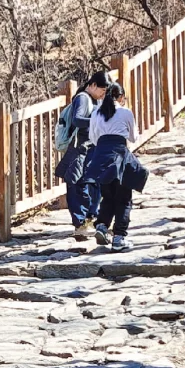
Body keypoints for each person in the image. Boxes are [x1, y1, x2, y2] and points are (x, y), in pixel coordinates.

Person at [85, 82, 141, 252]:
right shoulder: (125, 113)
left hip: (101, 157)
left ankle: (102, 226)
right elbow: (133, 138)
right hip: (120, 155)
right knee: (124, 199)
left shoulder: (96, 113)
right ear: (121, 97)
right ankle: (119, 237)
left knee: (107, 195)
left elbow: (93, 138)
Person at [57, 70, 110, 240]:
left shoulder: (95, 100)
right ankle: (80, 224)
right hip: (79, 148)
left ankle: (90, 219)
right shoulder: (82, 98)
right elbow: (77, 120)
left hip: (91, 148)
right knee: (77, 184)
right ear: (92, 85)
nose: (103, 94)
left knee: (95, 183)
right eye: (102, 90)